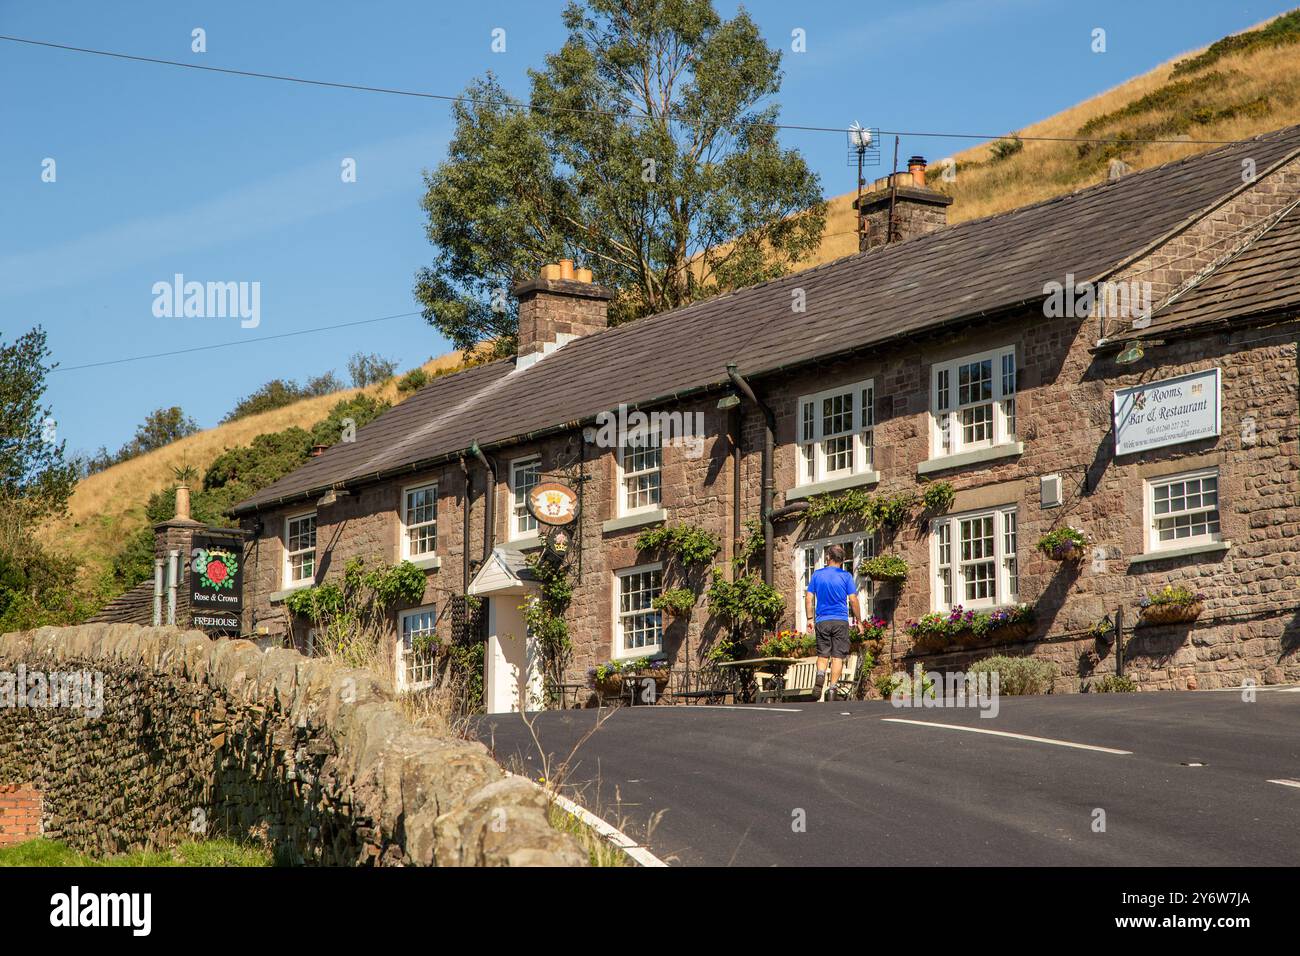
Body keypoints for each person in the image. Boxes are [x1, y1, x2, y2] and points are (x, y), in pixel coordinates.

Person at [804, 544, 861, 701]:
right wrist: (859, 620)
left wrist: (809, 619)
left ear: (828, 557)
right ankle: (832, 689)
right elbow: (853, 600)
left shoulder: (817, 575)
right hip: (840, 621)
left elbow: (809, 598)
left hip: (822, 620)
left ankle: (820, 676)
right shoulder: (846, 577)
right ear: (842, 561)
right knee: (837, 656)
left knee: (823, 654)